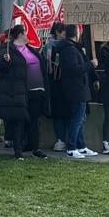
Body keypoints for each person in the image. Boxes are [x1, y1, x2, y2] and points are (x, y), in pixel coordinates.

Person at [0, 25, 49, 160]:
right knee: (20, 121)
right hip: (19, 92)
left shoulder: (30, 49)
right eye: (25, 33)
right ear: (20, 35)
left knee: (34, 121)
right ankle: (18, 150)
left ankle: (35, 148)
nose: (28, 35)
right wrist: (4, 61)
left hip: (36, 90)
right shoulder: (7, 49)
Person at [56, 24, 98, 159]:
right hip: (75, 88)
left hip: (80, 88)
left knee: (81, 118)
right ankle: (72, 147)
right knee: (77, 119)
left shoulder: (74, 48)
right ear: (76, 33)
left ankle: (81, 145)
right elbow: (74, 69)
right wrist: (90, 65)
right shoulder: (69, 50)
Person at [42, 23, 68, 151]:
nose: (65, 34)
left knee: (63, 114)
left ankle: (64, 139)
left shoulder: (54, 46)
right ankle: (60, 139)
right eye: (64, 32)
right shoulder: (50, 47)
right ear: (58, 32)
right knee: (57, 115)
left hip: (62, 85)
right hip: (54, 85)